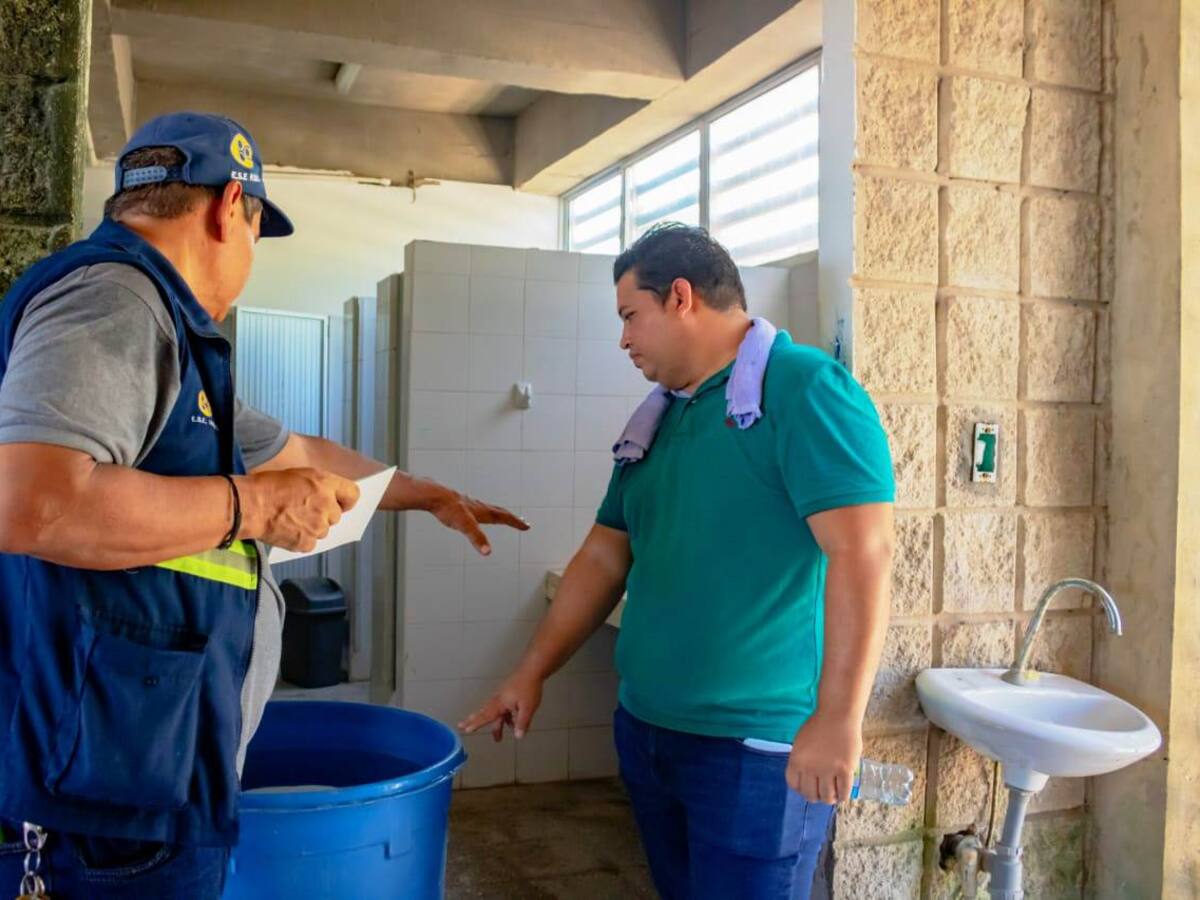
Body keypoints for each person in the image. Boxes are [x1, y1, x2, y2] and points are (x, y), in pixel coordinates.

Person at [0, 112, 526, 899]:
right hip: (103, 799)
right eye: (255, 231)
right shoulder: (118, 301)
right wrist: (252, 509)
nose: (249, 255)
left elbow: (300, 454)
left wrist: (426, 495)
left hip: (142, 770)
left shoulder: (172, 338)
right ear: (228, 207)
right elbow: (35, 504)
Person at [462, 223, 896, 900]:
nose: (624, 339)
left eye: (631, 316)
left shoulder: (805, 389)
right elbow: (604, 555)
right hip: (649, 732)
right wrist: (530, 672)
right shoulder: (658, 419)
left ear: (682, 298)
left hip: (755, 751)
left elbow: (862, 554)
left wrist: (839, 718)